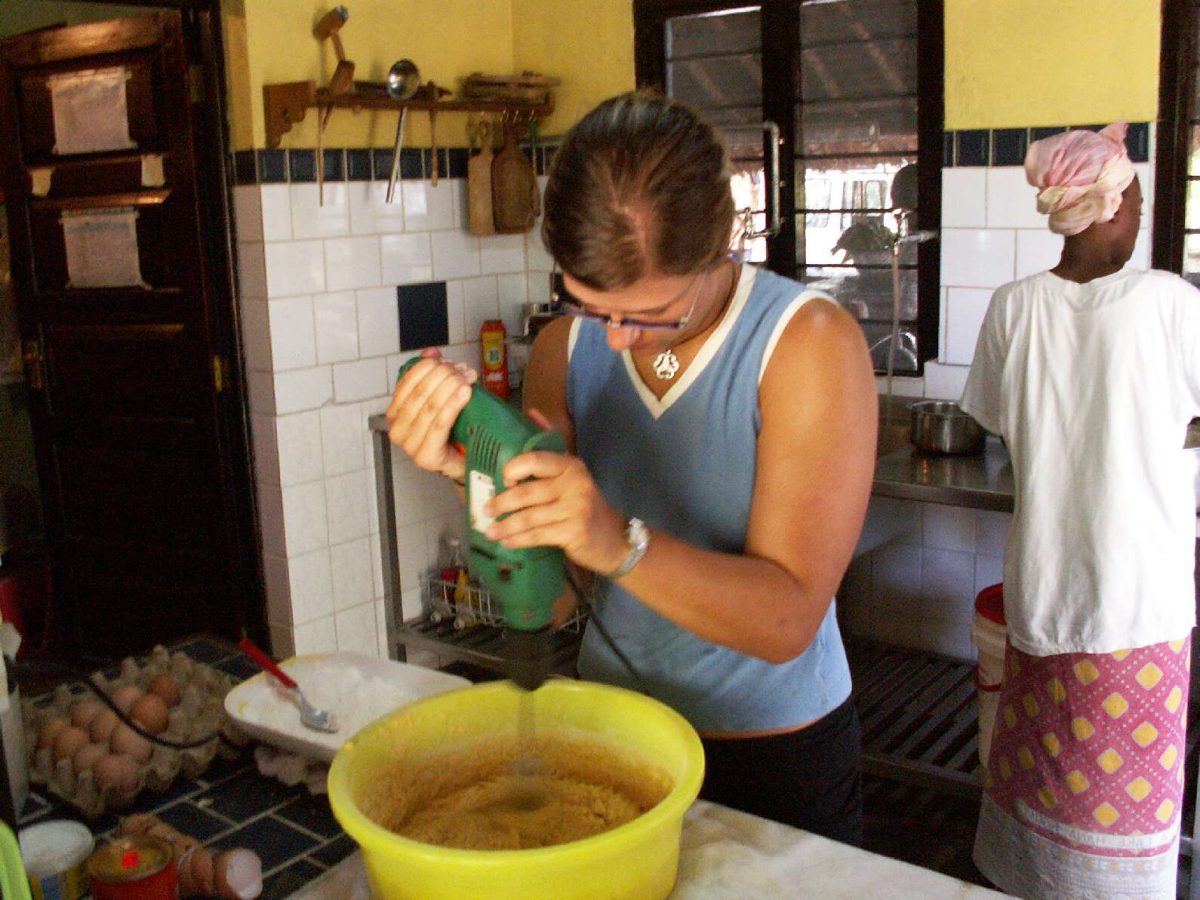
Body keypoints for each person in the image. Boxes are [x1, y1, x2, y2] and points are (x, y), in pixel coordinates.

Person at [386, 91, 877, 844]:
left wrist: (615, 539)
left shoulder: (807, 344)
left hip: (770, 757)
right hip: (615, 735)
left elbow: (787, 620)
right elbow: (552, 601)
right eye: (589, 305)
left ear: (723, 242)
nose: (616, 339)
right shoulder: (564, 349)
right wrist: (476, 476)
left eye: (653, 315)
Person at [961, 122, 1200, 898]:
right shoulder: (1170, 303)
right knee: (1121, 801)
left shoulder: (1013, 307)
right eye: (1137, 206)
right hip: (1136, 599)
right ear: (1109, 207)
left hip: (1044, 588)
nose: (1138, 222)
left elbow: (999, 418)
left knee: (1042, 769)